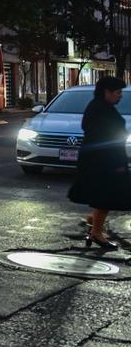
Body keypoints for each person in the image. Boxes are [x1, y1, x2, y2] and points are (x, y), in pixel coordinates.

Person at [68, 76, 128, 249]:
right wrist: (117, 163)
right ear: (106, 92)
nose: (120, 96)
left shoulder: (100, 107)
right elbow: (105, 139)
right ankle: (96, 233)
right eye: (118, 92)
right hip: (104, 162)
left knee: (104, 197)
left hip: (100, 160)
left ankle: (93, 224)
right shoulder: (100, 109)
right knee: (105, 198)